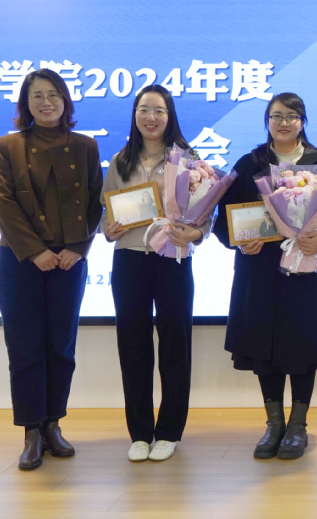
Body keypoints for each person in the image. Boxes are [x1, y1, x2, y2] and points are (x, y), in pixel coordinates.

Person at [213, 92, 317, 460]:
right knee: (264, 349)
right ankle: (274, 423)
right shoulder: (251, 164)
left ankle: (298, 425)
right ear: (266, 121)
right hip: (260, 272)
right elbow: (224, 217)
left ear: (302, 122)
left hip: (308, 272)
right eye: (276, 116)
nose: (283, 123)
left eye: (292, 116)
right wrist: (240, 241)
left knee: (303, 349)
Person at [0, 68, 103, 470]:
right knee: (25, 348)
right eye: (37, 96)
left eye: (53, 95)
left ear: (65, 100)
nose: (46, 102)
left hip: (69, 261)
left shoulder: (86, 146)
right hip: (20, 261)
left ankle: (53, 424)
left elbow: (96, 201)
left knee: (61, 346)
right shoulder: (9, 146)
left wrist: (78, 248)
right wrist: (35, 251)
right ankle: (31, 432)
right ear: (26, 104)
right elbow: (5, 204)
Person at [101, 84, 208, 462]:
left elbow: (205, 213)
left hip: (172, 259)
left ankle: (169, 431)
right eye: (144, 109)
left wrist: (195, 233)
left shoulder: (188, 160)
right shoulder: (121, 161)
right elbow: (106, 213)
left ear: (169, 115)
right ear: (134, 115)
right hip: (129, 259)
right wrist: (108, 230)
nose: (151, 117)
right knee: (132, 343)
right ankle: (140, 433)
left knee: (176, 341)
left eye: (158, 110)